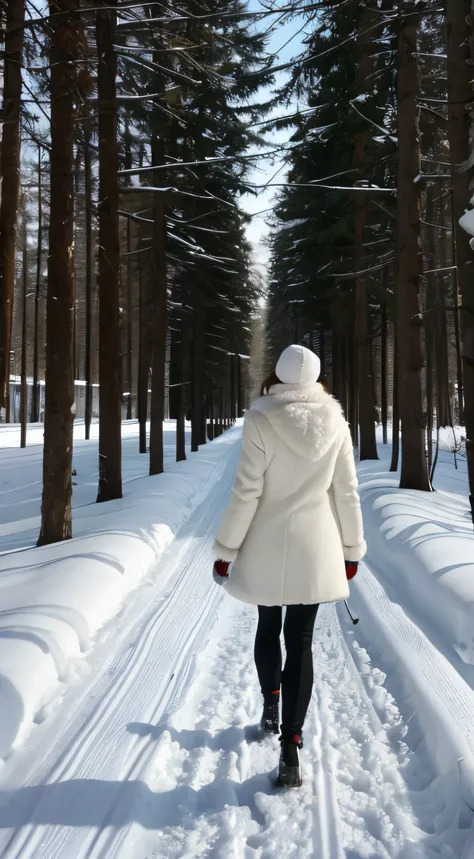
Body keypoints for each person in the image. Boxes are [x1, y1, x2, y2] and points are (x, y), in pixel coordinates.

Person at [212, 344, 366, 788]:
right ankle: (291, 747)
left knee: (267, 625)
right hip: (316, 546)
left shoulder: (260, 418)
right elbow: (346, 493)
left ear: (277, 374)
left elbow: (247, 492)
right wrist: (351, 549)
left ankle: (271, 704)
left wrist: (227, 548)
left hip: (265, 543)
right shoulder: (335, 422)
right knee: (300, 641)